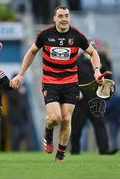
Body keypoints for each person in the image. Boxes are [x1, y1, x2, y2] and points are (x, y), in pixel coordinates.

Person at [10, 6, 102, 162]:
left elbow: (93, 53)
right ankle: (48, 130)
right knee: (55, 118)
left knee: (66, 119)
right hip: (50, 82)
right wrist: (21, 74)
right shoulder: (45, 34)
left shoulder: (77, 35)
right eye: (60, 16)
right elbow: (32, 52)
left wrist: (97, 70)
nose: (64, 19)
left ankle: (60, 154)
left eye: (66, 16)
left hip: (71, 83)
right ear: (54, 19)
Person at [70, 39, 117, 155]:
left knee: (100, 124)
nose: (92, 50)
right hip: (81, 100)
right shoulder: (77, 61)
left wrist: (102, 66)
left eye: (94, 48)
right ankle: (75, 150)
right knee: (76, 126)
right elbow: (70, 78)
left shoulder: (100, 61)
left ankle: (104, 150)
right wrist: (76, 91)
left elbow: (110, 75)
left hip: (96, 98)